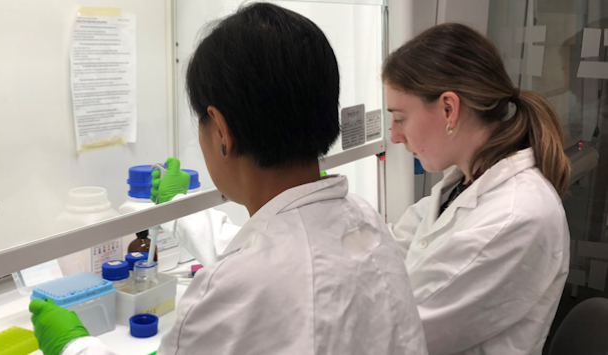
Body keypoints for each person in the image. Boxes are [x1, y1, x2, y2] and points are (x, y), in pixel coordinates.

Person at [29, 3, 427, 355]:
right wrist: (173, 208)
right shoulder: (364, 222)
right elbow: (279, 250)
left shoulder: (233, 292)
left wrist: (75, 346)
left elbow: (264, 271)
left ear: (220, 130)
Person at [384, 23, 570, 354]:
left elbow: (402, 336)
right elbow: (392, 248)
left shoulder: (515, 216)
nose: (395, 136)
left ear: (448, 110)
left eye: (400, 118)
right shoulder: (465, 183)